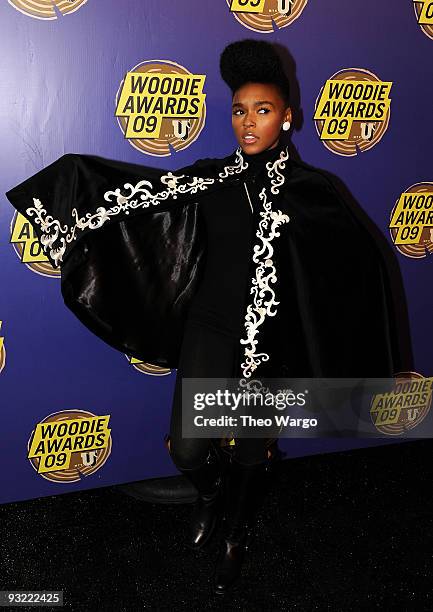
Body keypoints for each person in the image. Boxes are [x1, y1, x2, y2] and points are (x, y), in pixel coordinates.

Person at [5, 39, 407, 596]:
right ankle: (214, 495)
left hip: (273, 350)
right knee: (189, 445)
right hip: (211, 331)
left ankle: (236, 532)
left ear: (287, 117)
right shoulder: (211, 177)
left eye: (263, 111)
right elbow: (137, 197)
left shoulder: (317, 194)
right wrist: (68, 192)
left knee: (251, 449)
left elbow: (353, 270)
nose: (249, 123)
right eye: (240, 111)